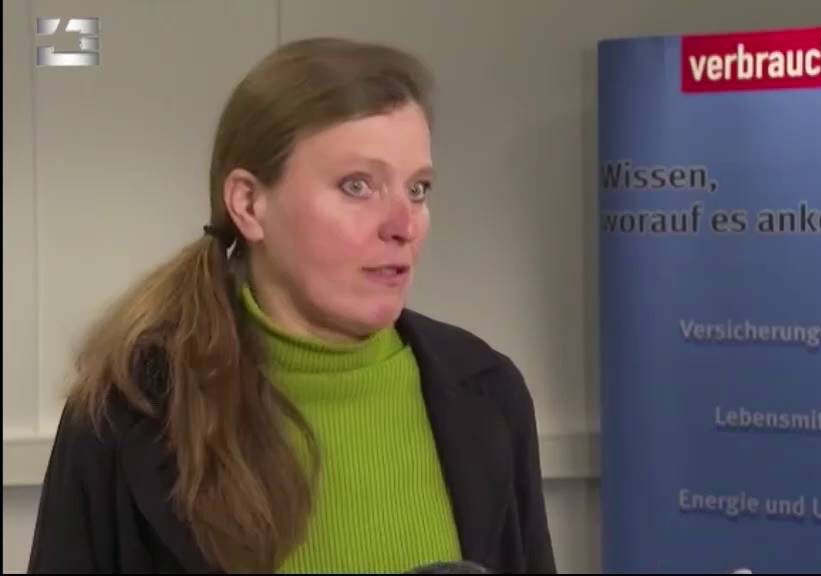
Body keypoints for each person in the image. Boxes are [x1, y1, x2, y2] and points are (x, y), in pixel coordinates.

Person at [27, 37, 556, 575]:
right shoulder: (127, 408)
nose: (403, 225)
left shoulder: (489, 393)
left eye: (418, 189)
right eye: (357, 186)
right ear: (249, 204)